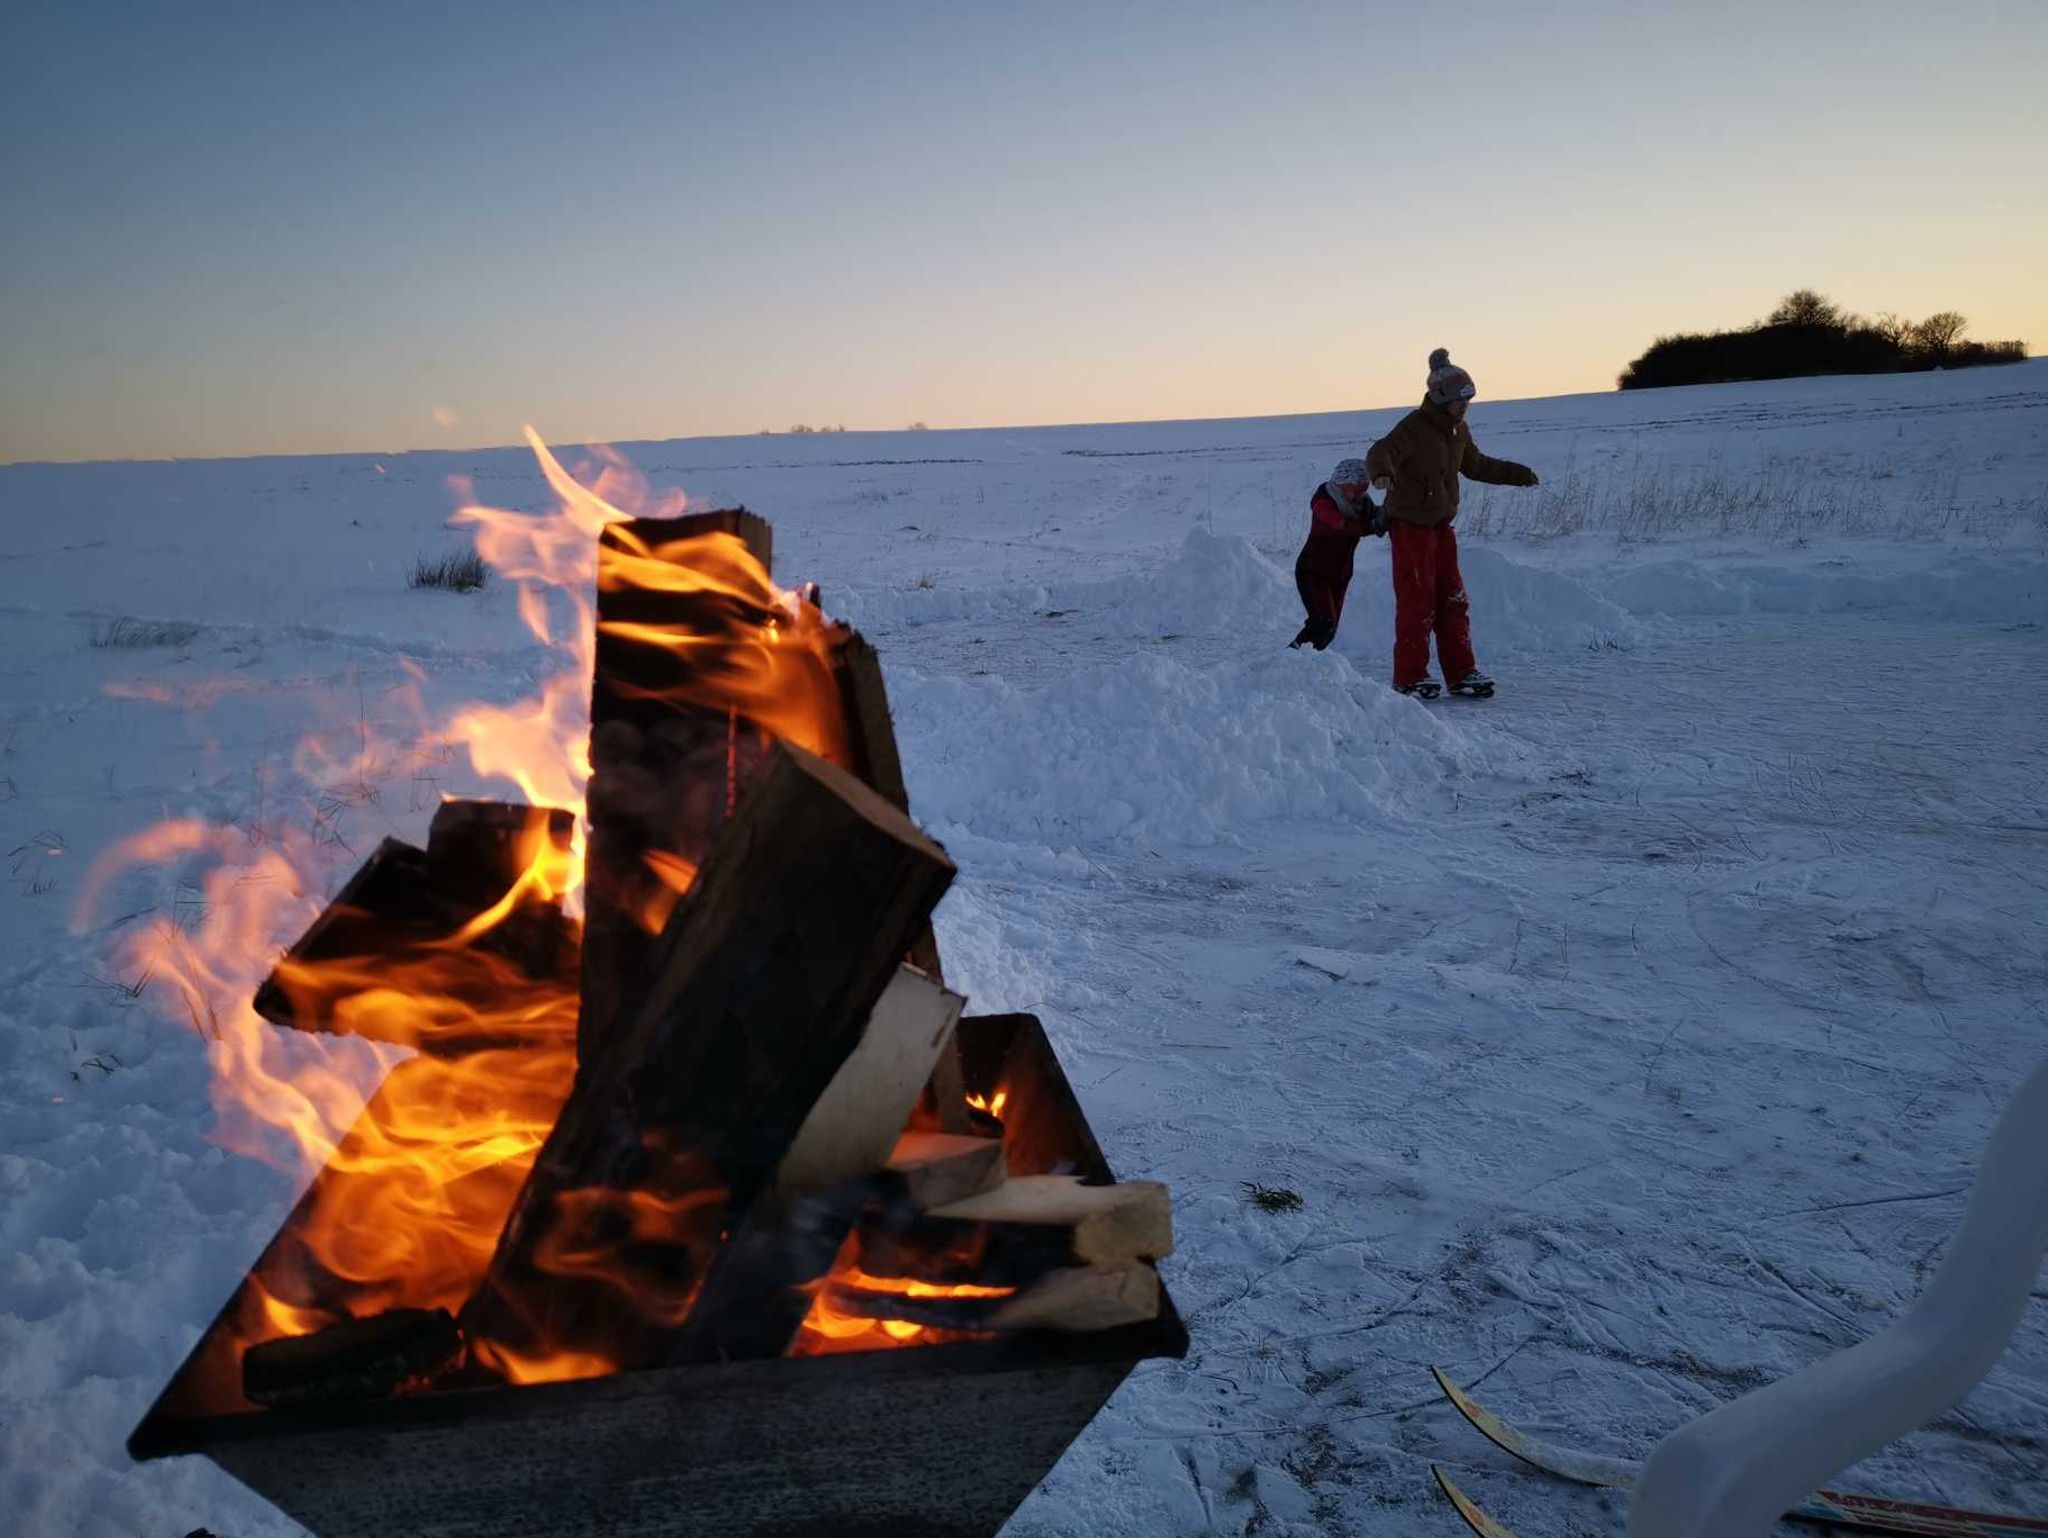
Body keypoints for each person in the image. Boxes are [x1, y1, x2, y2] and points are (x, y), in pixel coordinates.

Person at [1363, 349, 1539, 697]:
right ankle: (1410, 677)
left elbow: (1475, 465)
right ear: (1441, 397)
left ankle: (1461, 672)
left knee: (1453, 599)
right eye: (1460, 399)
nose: (1465, 405)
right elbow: (1380, 451)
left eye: (1469, 399)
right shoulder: (1413, 428)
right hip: (1410, 527)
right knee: (1418, 600)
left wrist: (1516, 474)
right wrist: (1381, 474)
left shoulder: (1458, 431)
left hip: (1441, 527)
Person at [1289, 457, 1386, 650]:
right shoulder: (1323, 502)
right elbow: (1342, 525)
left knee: (1329, 629)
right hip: (1313, 571)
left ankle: (1304, 667)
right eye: (1355, 491)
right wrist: (1373, 525)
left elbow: (1379, 515)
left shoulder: (1362, 503)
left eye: (1363, 491)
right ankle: (1289, 661)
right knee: (1322, 623)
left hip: (1340, 574)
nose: (1359, 496)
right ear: (1341, 485)